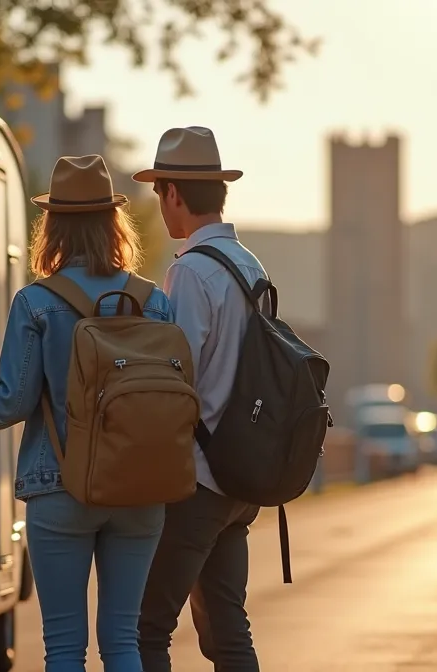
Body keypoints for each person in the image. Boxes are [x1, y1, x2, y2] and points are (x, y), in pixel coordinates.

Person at [0, 154, 173, 672]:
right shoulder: (153, 302)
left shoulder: (36, 302)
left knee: (65, 644)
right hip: (141, 488)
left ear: (54, 225)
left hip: (60, 483)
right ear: (114, 221)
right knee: (123, 639)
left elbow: (15, 402)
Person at [132, 126, 264, 671]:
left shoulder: (190, 272)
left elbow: (173, 379)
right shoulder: (251, 266)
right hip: (242, 478)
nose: (160, 205)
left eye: (159, 192)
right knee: (229, 633)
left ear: (174, 194)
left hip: (200, 482)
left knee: (144, 630)